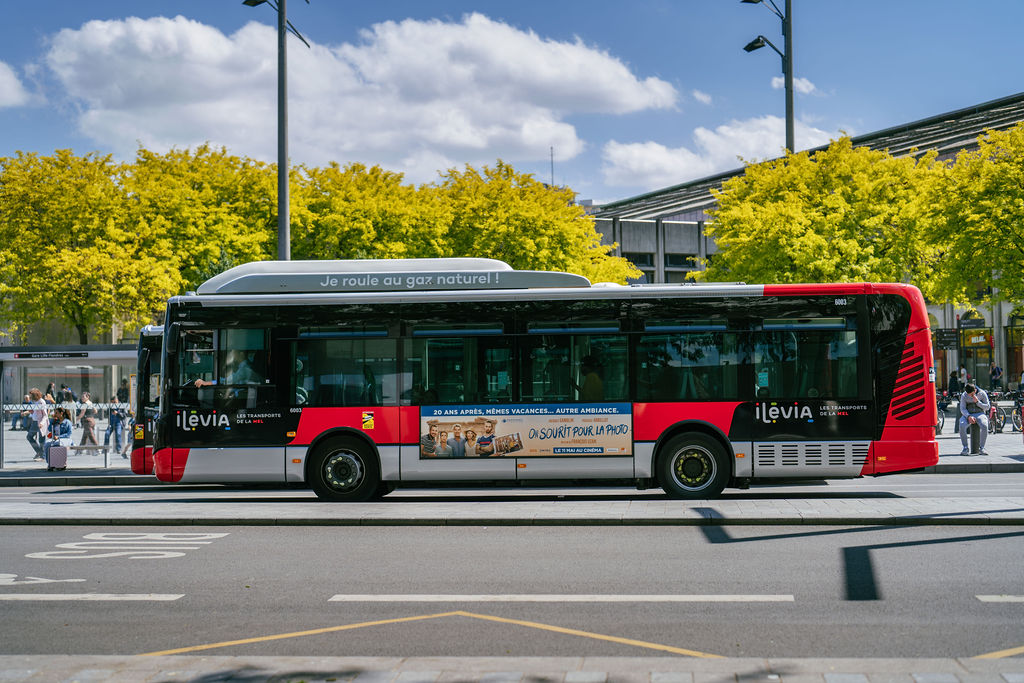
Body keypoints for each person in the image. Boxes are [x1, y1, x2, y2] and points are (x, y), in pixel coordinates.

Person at [958, 383, 990, 456]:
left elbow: (987, 407)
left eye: (972, 394)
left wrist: (978, 402)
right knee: (962, 424)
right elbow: (962, 408)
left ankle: (982, 448)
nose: (970, 396)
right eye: (968, 394)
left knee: (984, 425)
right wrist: (968, 416)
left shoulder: (982, 393)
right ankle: (965, 448)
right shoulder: (964, 395)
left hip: (980, 413)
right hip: (968, 414)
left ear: (975, 390)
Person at [25, 388, 48, 461]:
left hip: (41, 422)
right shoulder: (34, 402)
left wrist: (42, 423)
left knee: (42, 440)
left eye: (31, 395)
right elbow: (34, 412)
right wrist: (27, 412)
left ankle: (42, 456)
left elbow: (45, 415)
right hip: (35, 422)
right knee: (29, 437)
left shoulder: (41, 402)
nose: (30, 397)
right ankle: (39, 452)